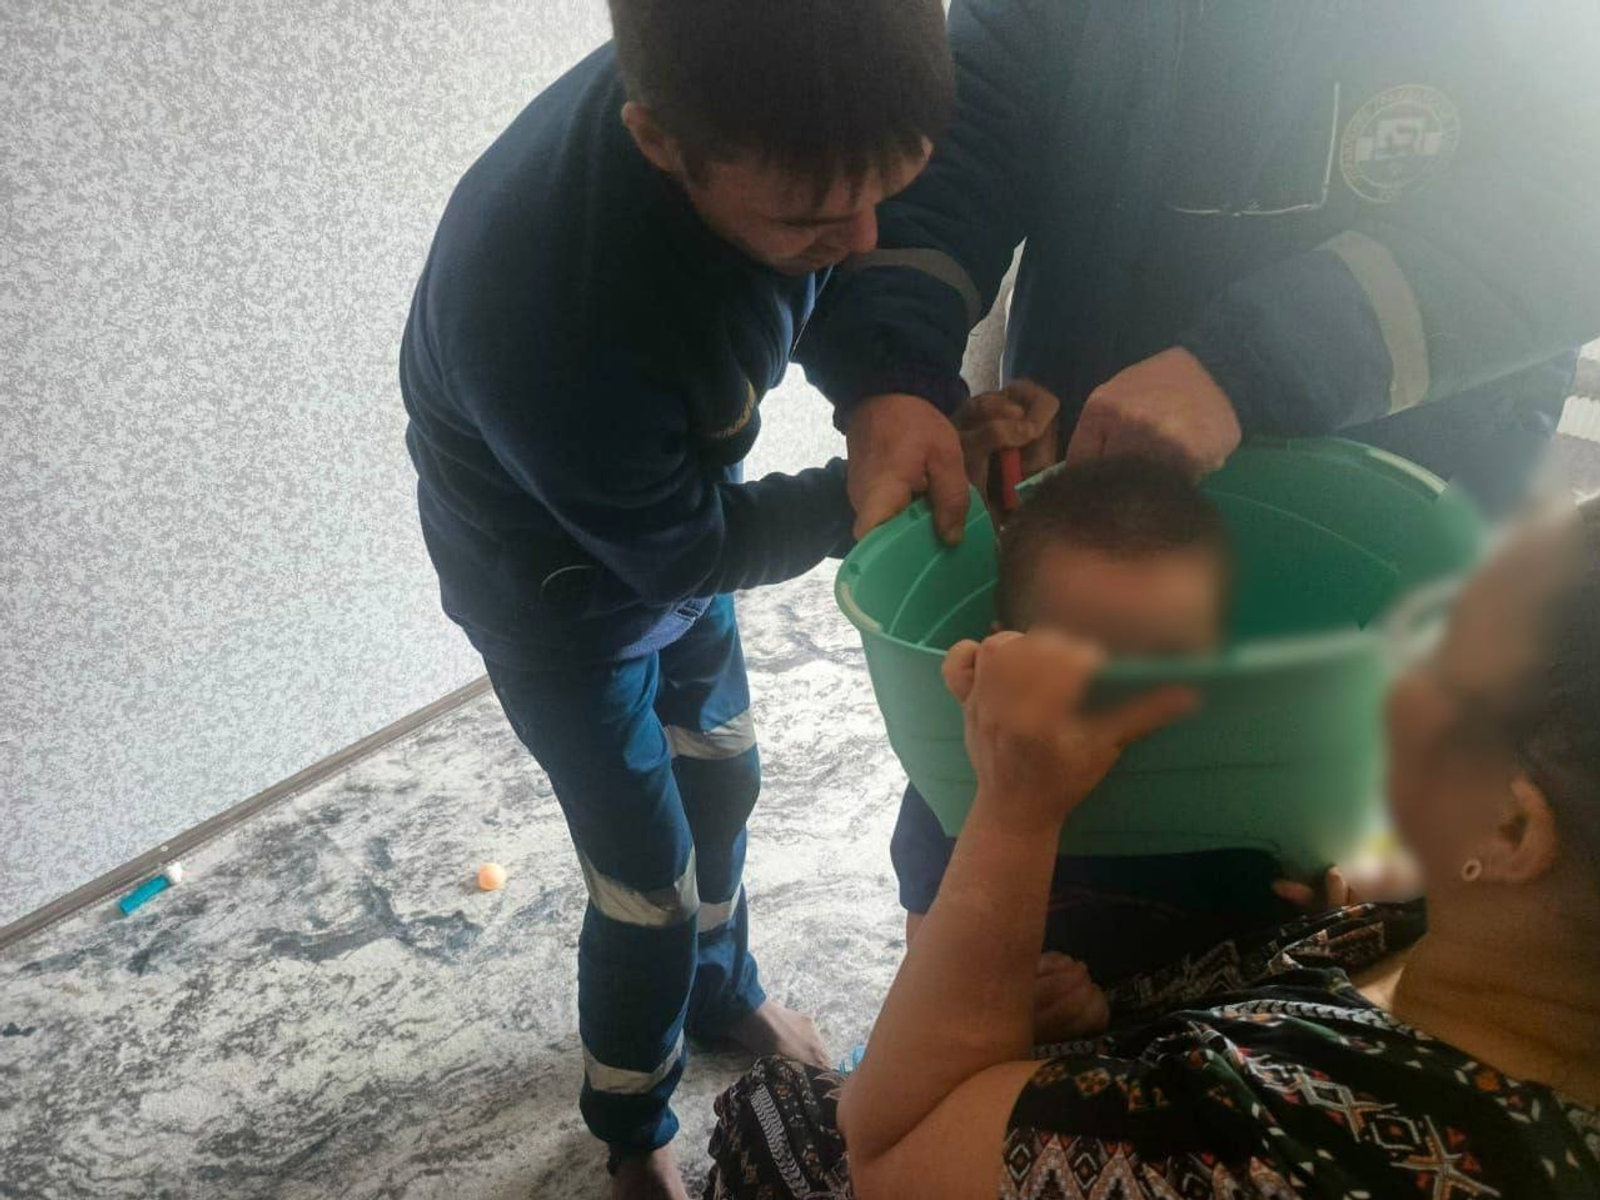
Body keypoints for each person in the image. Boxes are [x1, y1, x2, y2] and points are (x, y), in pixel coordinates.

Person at [799, 0, 1600, 974]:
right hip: (1088, 466)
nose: (1147, 707)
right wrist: (892, 367)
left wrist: (1259, 361)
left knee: (1332, 869)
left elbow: (1575, 197)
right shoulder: (983, 757)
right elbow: (968, 124)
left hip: (1411, 490)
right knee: (1000, 855)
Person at [398, 3, 957, 1195]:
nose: (862, 239)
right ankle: (630, 1125)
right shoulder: (546, 319)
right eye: (810, 219)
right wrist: (863, 494)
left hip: (673, 538)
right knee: (645, 883)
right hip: (563, 607)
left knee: (723, 775)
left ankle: (722, 991)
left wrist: (897, 390)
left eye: (887, 192)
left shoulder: (780, 85)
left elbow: (835, 273)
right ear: (658, 141)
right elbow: (683, 550)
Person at [704, 496, 1600, 1199]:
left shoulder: (1273, 1152)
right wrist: (1373, 926)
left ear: (1508, 828)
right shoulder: (1498, 962)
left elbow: (888, 1152)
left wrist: (1013, 813)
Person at [899, 452, 1266, 1034]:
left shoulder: (1260, 766)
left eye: (1171, 659)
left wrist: (1329, 910)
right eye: (1092, 662)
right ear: (1006, 655)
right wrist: (1019, 1006)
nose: (1132, 697)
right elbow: (928, 962)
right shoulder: (962, 781)